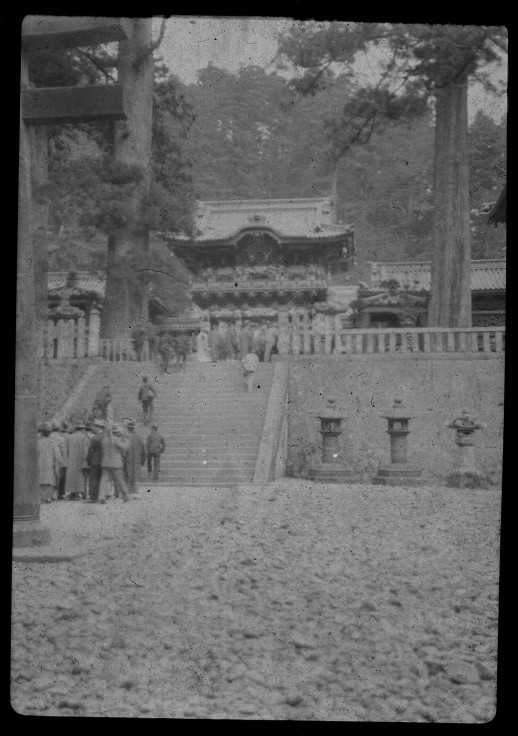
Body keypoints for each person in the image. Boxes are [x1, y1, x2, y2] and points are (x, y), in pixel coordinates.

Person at [99, 424, 130, 503]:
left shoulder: (104, 439)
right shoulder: (116, 439)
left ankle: (101, 497)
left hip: (105, 462)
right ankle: (125, 496)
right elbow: (125, 447)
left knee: (103, 480)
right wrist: (125, 438)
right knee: (120, 480)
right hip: (116, 463)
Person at [65, 422, 89, 500]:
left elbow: (67, 449)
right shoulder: (84, 437)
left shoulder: (69, 437)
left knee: (72, 476)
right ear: (82, 429)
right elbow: (85, 450)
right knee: (81, 476)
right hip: (81, 459)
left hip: (71, 459)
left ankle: (73, 492)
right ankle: (81, 492)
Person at [123, 419, 146, 497]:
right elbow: (144, 451)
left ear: (128, 428)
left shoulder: (125, 437)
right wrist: (142, 461)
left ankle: (129, 491)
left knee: (128, 474)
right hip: (137, 460)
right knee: (135, 475)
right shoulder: (139, 437)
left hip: (127, 459)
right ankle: (135, 492)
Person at [38, 422, 60, 503]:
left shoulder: (38, 442)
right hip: (50, 464)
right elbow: (57, 456)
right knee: (49, 480)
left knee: (40, 480)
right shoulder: (53, 442)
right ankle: (48, 497)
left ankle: (41, 497)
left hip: (40, 464)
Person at [86, 419, 105, 503]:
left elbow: (91, 451)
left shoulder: (95, 438)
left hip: (95, 461)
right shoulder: (106, 436)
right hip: (104, 461)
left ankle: (93, 497)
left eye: (94, 426)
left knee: (93, 479)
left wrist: (88, 460)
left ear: (98, 427)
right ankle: (101, 496)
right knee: (101, 479)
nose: (93, 428)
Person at [49, 420, 66, 497]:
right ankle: (60, 494)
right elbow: (63, 451)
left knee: (49, 476)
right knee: (59, 477)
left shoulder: (48, 437)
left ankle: (50, 493)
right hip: (57, 460)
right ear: (58, 428)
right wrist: (63, 462)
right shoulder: (61, 438)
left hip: (48, 459)